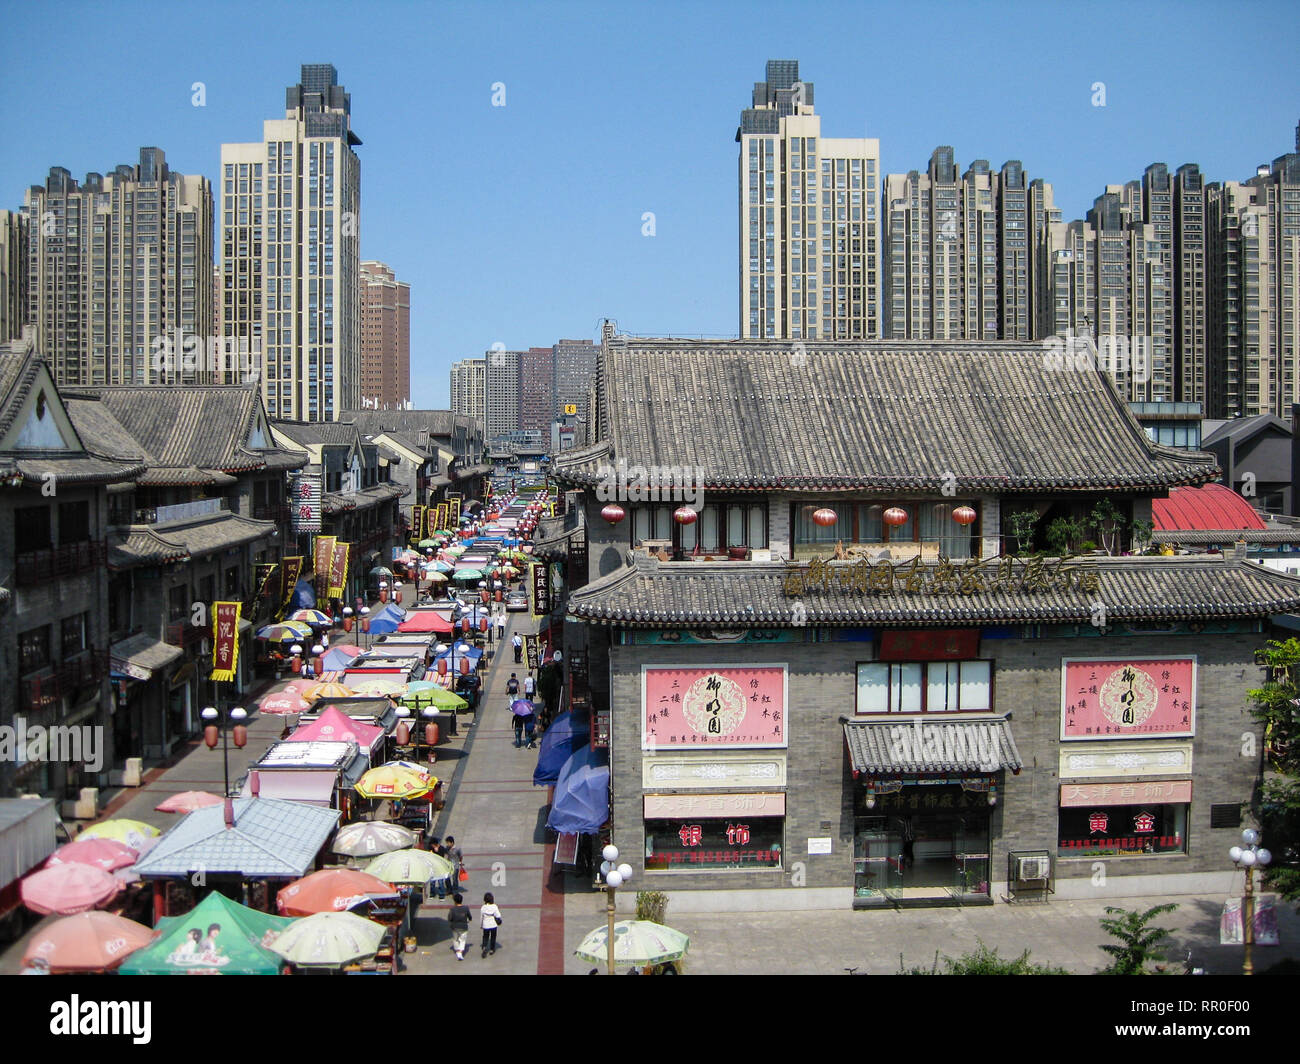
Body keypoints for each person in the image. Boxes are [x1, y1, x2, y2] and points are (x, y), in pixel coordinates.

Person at [447, 893, 472, 960]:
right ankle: (460, 951)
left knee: (455, 939)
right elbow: (470, 917)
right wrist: (469, 919)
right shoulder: (466, 908)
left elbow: (449, 918)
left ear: (454, 901)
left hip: (455, 927)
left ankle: (458, 951)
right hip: (464, 927)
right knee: (462, 940)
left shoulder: (452, 909)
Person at [479, 892, 502, 957]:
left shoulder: (483, 907)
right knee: (493, 937)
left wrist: (481, 925)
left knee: (485, 937)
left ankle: (484, 947)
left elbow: (481, 917)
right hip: (493, 925)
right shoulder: (494, 906)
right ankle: (492, 949)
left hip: (486, 925)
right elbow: (498, 915)